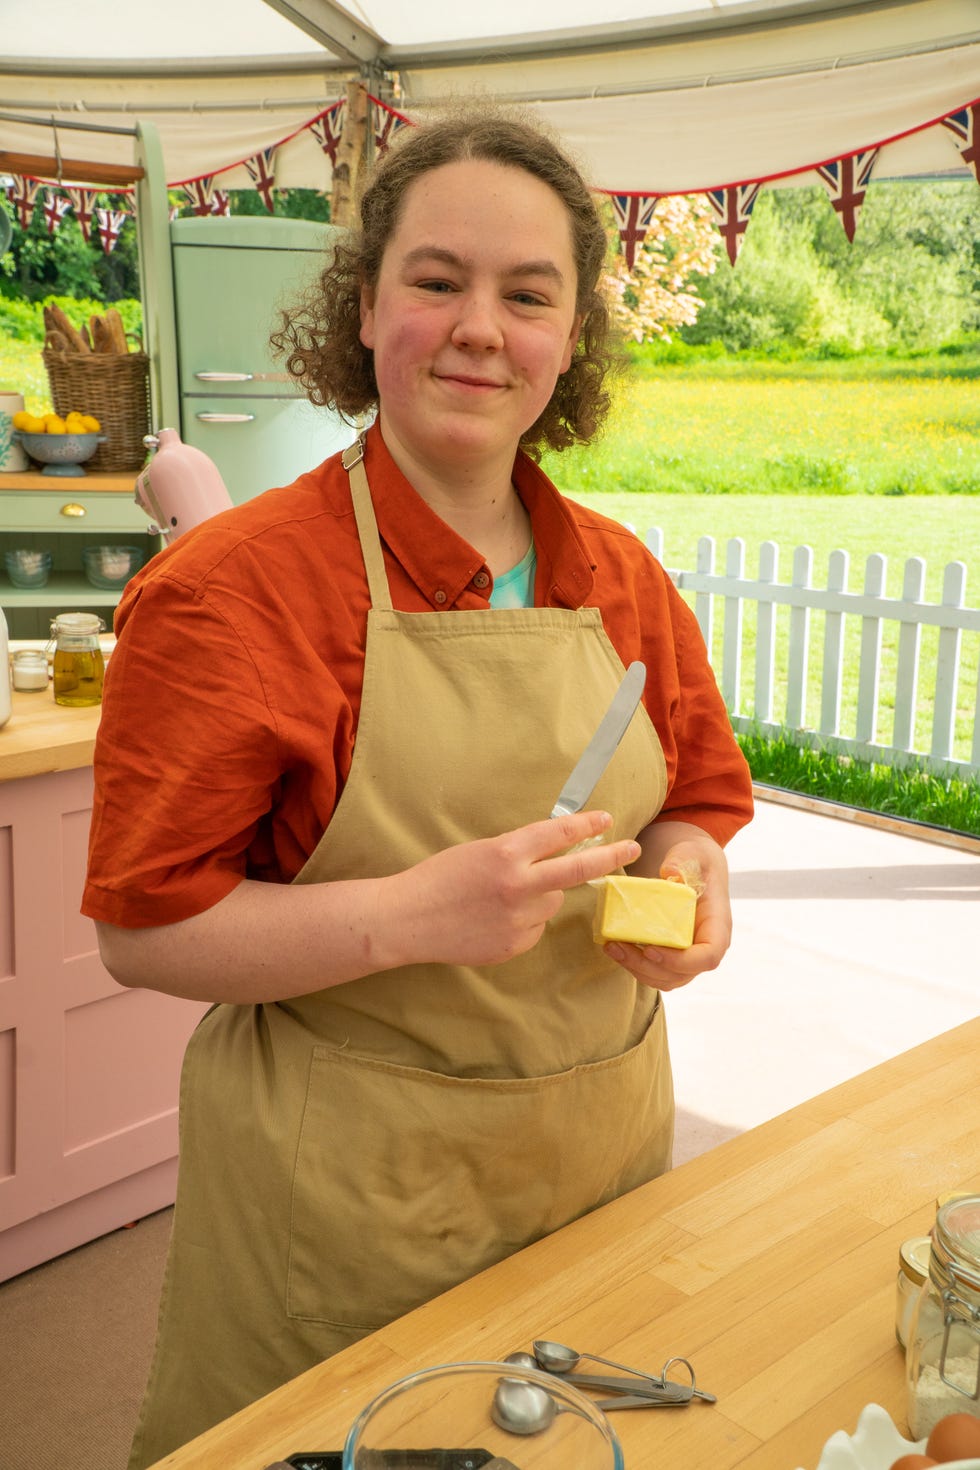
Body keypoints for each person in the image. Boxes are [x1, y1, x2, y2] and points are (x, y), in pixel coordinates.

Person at [83, 104, 754, 1467]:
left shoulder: (620, 576)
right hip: (348, 1197)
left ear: (572, 339)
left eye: (528, 295)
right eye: (437, 281)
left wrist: (691, 869)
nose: (478, 328)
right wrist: (416, 915)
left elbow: (696, 794)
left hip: (598, 1160)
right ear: (366, 304)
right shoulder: (232, 592)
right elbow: (144, 930)